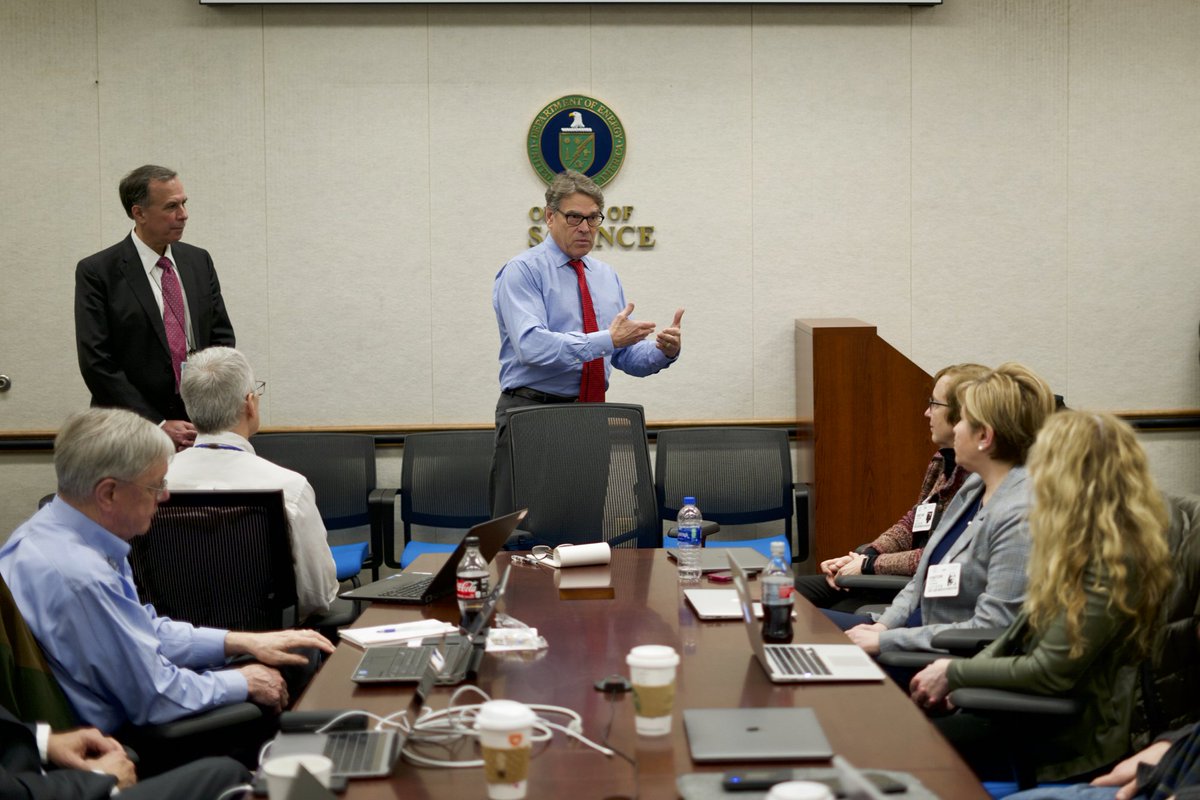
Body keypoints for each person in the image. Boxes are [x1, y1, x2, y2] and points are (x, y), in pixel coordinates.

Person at [0, 408, 335, 735]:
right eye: (154, 485)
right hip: (123, 739)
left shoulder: (44, 533)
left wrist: (239, 641)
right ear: (109, 493)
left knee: (286, 651)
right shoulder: (83, 577)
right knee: (297, 663)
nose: (164, 495)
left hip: (123, 699)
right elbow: (155, 696)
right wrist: (243, 680)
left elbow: (141, 629)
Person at [909, 411, 1173, 784]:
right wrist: (966, 678)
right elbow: (1017, 637)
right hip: (1029, 708)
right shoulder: (1080, 542)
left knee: (905, 749)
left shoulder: (1112, 561)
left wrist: (956, 672)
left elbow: (1049, 671)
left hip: (1068, 735)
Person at [489, 170, 684, 515]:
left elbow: (621, 355)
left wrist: (662, 351)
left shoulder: (606, 276)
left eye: (593, 218)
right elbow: (531, 346)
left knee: (585, 526)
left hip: (591, 418)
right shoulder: (523, 271)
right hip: (533, 415)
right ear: (550, 217)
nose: (585, 227)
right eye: (574, 217)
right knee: (525, 532)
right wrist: (608, 339)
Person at [831, 362, 1056, 658]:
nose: (956, 427)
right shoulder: (974, 487)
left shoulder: (1021, 515)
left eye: (963, 420)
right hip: (907, 635)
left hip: (938, 657)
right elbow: (922, 579)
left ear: (984, 436)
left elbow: (991, 628)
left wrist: (887, 641)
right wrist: (883, 627)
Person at [795, 363, 988, 611]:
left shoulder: (980, 478)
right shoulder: (942, 461)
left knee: (831, 612)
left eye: (934, 404)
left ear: (962, 414)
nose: (926, 413)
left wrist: (869, 565)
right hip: (896, 574)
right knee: (793, 591)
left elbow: (941, 553)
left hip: (924, 586)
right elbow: (913, 522)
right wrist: (867, 554)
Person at [168, 347, 338, 620]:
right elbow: (317, 595)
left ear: (189, 407)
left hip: (171, 641)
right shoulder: (290, 488)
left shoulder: (152, 484)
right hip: (267, 641)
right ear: (250, 403)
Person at [75, 164, 235, 451]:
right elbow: (97, 363)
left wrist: (209, 414)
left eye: (184, 203)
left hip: (196, 429)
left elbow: (221, 340)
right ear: (139, 213)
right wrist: (157, 424)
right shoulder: (98, 272)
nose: (183, 214)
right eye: (171, 206)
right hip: (129, 432)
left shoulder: (199, 261)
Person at [0, 704, 250, 800]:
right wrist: (99, 780)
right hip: (39, 790)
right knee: (226, 776)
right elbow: (153, 693)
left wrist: (43, 741)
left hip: (26, 771)